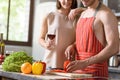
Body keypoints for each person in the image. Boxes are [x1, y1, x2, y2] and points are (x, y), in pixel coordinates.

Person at [65, 0, 119, 77]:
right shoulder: (84, 13)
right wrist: (73, 45)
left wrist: (85, 62)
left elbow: (114, 47)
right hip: (78, 71)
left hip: (96, 73)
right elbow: (86, 38)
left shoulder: (106, 14)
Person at [39, 0, 82, 70]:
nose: (67, 1)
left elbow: (81, 39)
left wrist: (73, 45)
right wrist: (45, 44)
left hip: (69, 64)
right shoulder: (49, 16)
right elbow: (41, 38)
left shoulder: (78, 18)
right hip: (50, 62)